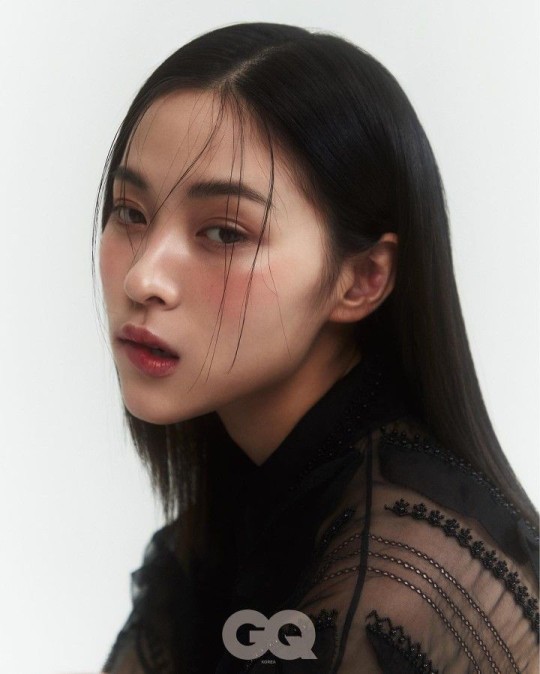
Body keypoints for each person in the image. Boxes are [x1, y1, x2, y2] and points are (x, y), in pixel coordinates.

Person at [95, 22, 539, 673]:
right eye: (130, 212)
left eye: (224, 232)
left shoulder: (388, 588)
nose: (143, 279)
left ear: (362, 279)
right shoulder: (238, 525)